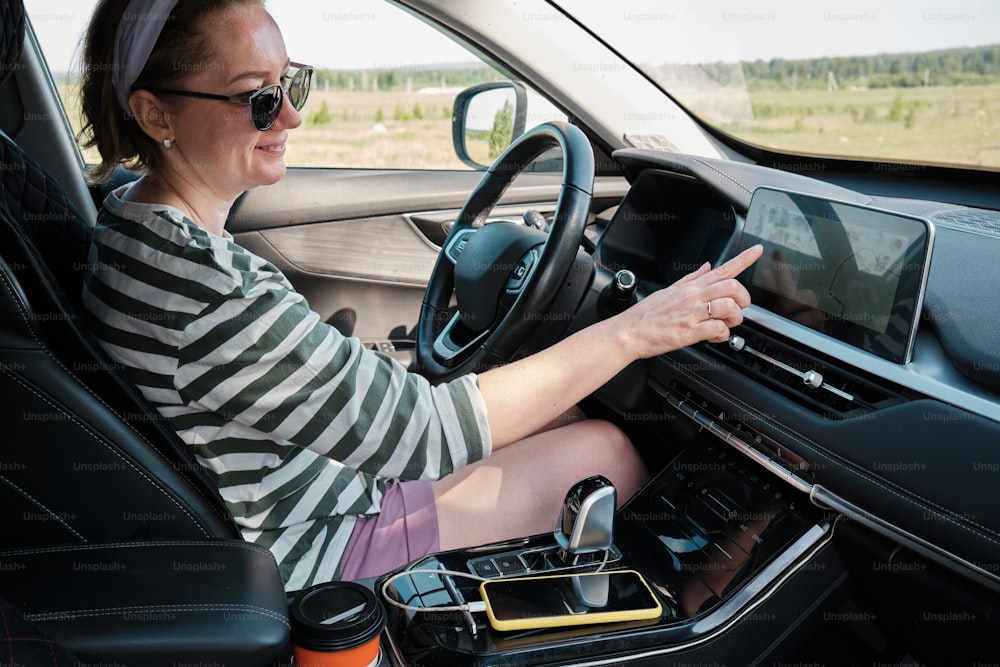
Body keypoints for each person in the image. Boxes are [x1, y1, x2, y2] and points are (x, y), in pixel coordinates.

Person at [78, 0, 763, 590]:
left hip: (310, 496)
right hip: (324, 546)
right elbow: (424, 435)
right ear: (155, 113)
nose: (289, 116)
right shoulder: (206, 287)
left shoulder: (130, 222)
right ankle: (702, 604)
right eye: (258, 96)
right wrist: (634, 330)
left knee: (567, 410)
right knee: (607, 453)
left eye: (291, 84)